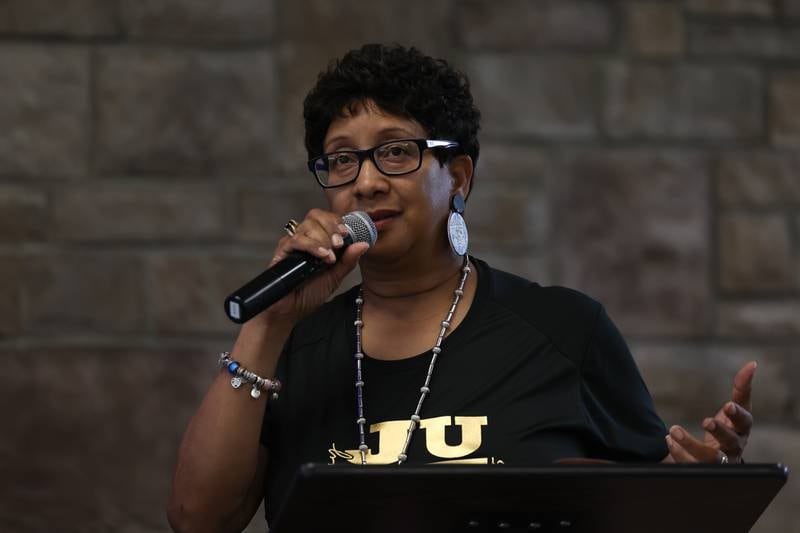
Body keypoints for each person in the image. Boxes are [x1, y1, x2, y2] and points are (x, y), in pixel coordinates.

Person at [167, 43, 756, 532]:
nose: (366, 182)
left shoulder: (564, 330)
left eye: (396, 152)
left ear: (459, 177)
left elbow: (653, 510)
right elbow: (198, 521)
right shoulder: (290, 345)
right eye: (342, 161)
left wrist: (711, 484)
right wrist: (268, 324)